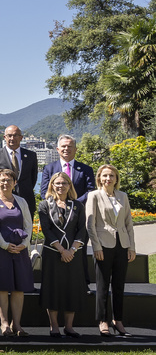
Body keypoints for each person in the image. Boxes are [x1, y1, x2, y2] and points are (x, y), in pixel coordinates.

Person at [0, 168, 34, 337]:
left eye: (9, 180)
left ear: (15, 183)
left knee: (19, 289)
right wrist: (5, 245)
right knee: (2, 288)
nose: (5, 183)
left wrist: (25, 244)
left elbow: (28, 224)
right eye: (2, 180)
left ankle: (17, 325)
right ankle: (4, 324)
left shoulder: (22, 201)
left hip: (20, 250)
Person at [86, 164, 135, 337]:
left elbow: (129, 223)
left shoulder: (123, 196)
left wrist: (131, 247)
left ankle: (118, 320)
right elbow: (90, 225)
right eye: (105, 175)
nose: (108, 179)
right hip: (103, 246)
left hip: (122, 245)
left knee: (119, 285)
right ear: (99, 178)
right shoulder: (94, 196)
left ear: (116, 178)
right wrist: (96, 246)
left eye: (111, 176)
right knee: (102, 285)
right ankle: (103, 320)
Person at [39, 172, 87, 338]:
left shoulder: (78, 206)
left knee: (71, 289)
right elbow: (46, 230)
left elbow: (82, 230)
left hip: (73, 255)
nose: (60, 186)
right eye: (57, 183)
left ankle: (69, 326)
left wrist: (71, 251)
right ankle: (54, 326)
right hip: (53, 253)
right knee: (52, 289)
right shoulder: (45, 205)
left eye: (64, 183)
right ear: (52, 185)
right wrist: (62, 250)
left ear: (69, 185)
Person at [0, 125, 39, 207]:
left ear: (21, 137)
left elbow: (33, 178)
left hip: (26, 200)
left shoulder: (31, 155)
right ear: (4, 137)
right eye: (9, 135)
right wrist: (2, 192)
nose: (12, 138)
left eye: (15, 135)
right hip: (4, 200)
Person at [39, 134, 96, 201]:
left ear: (75, 149)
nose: (66, 148)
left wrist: (75, 205)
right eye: (63, 146)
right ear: (58, 149)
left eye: (69, 146)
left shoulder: (86, 169)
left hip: (79, 209)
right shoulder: (49, 169)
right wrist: (58, 204)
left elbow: (90, 191)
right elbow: (44, 191)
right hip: (55, 209)